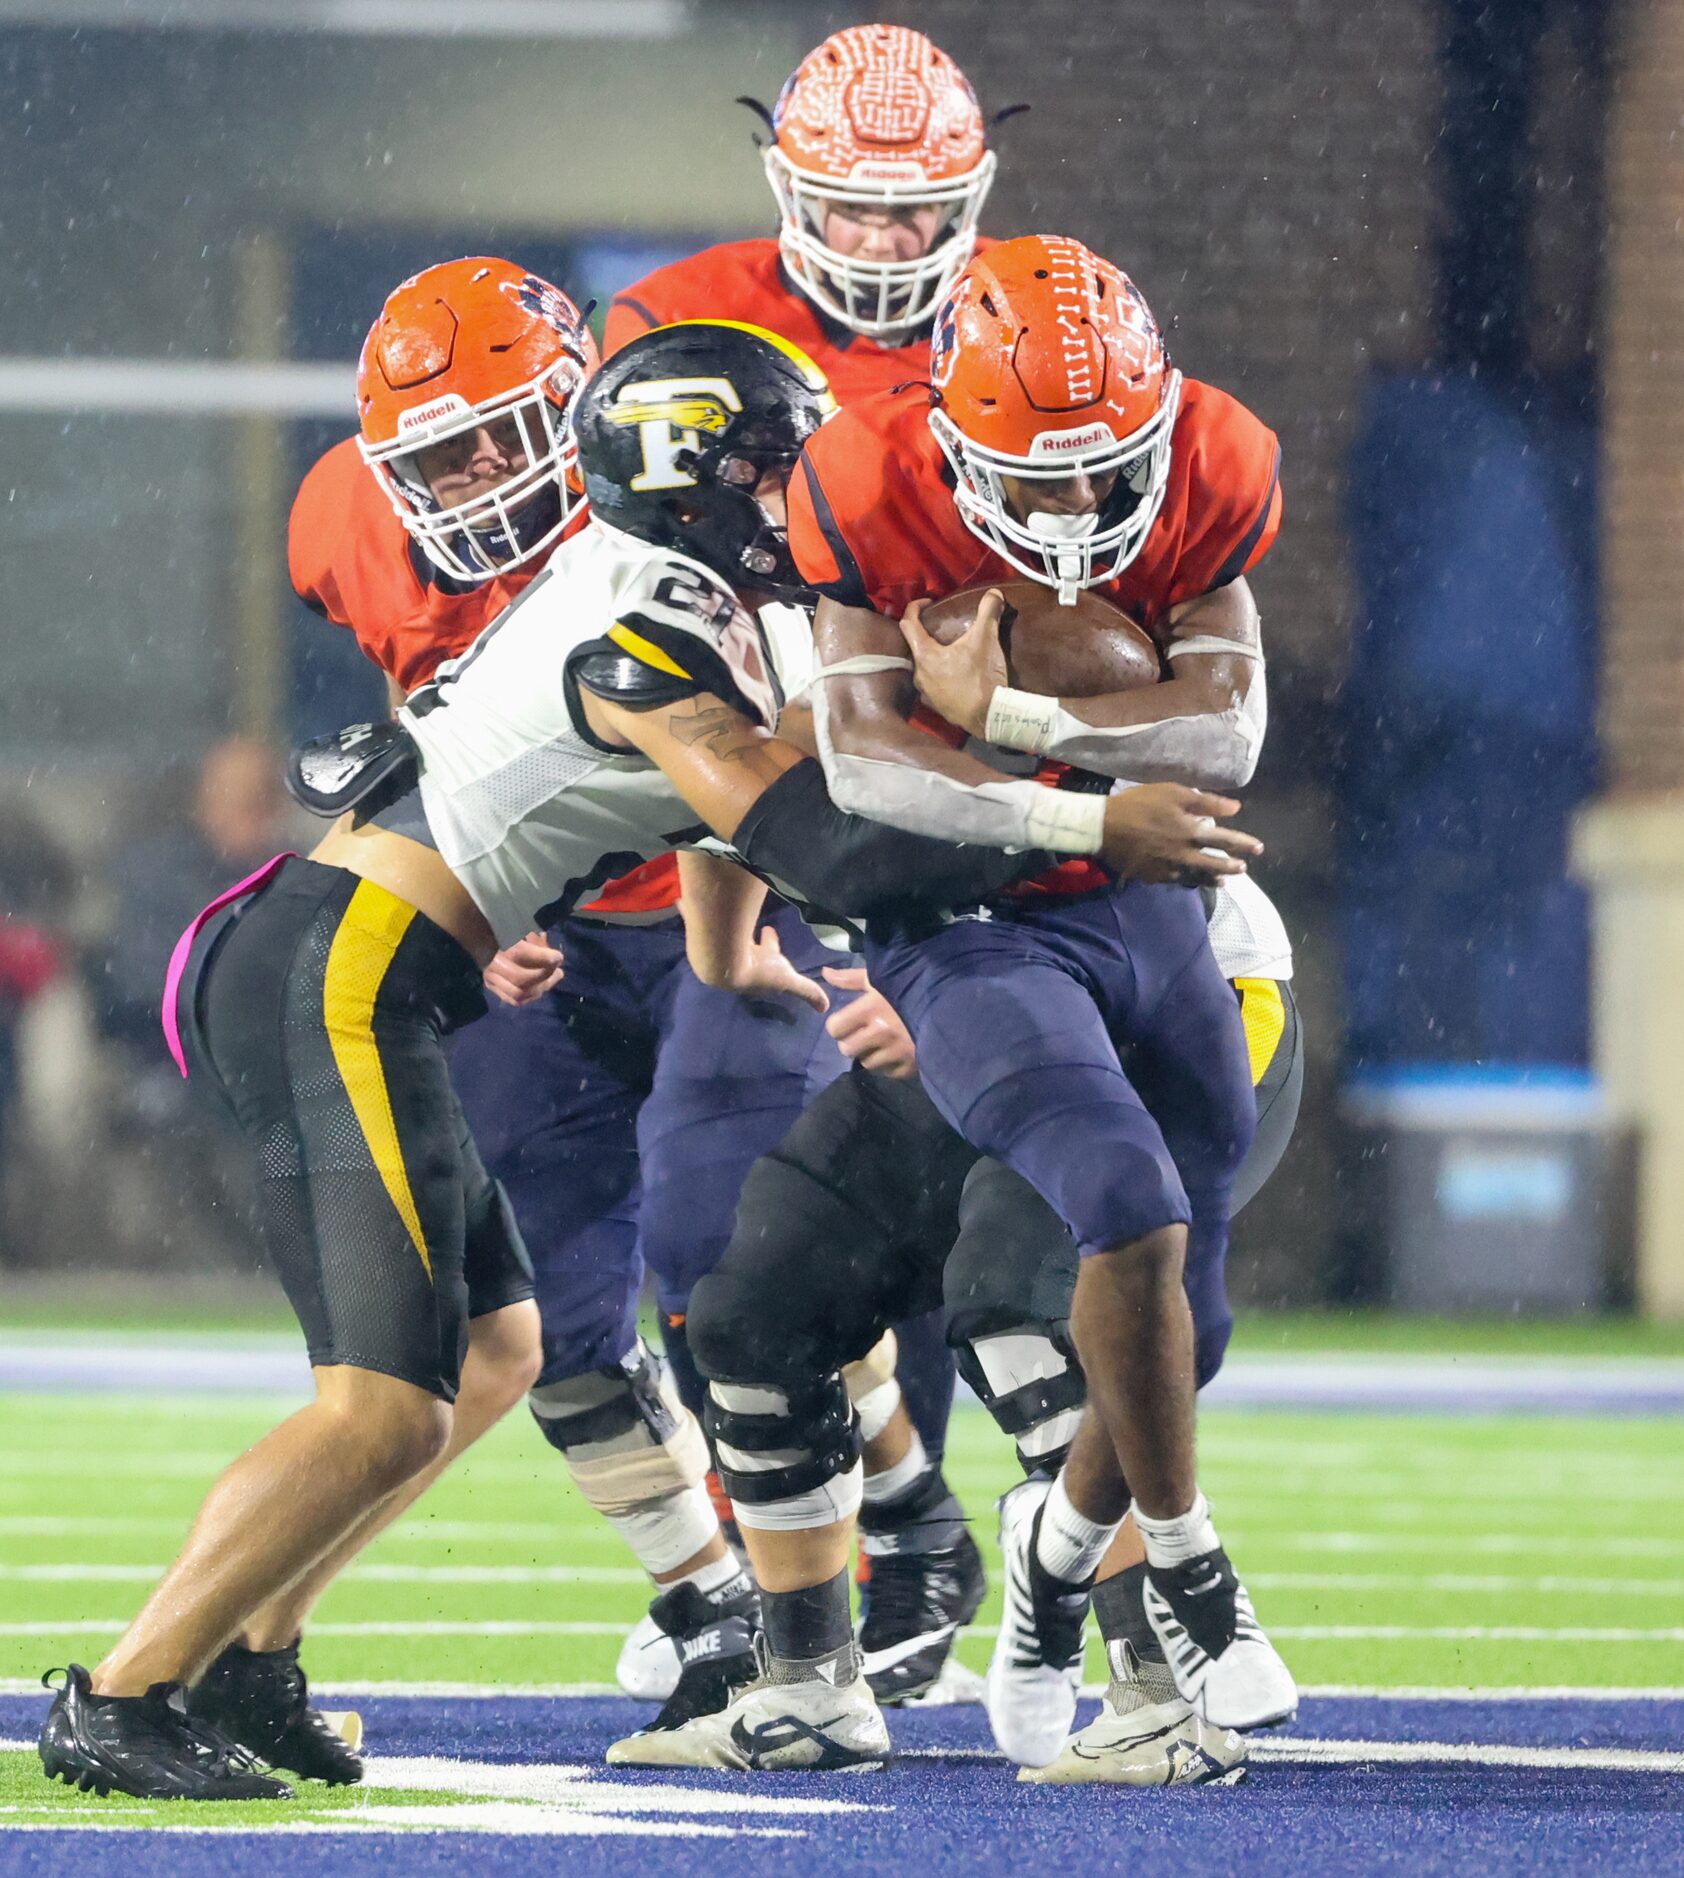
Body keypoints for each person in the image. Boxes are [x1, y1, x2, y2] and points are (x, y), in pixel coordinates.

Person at [38, 319, 1254, 1801]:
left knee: (497, 1353)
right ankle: (127, 1688)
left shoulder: (688, 599)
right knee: (381, 1403)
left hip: (379, 969)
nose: (804, 487)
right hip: (334, 977)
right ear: (703, 485)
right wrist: (1080, 823)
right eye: (773, 464)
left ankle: (252, 1656)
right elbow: (801, 826)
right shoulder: (651, 622)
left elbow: (745, 815)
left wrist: (817, 881)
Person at [615, 236, 1295, 1774]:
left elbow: (1218, 739)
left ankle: (1128, 1653)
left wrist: (1026, 742)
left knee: (1062, 1294)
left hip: (1164, 943)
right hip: (957, 971)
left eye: (743, 499)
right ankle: (820, 1679)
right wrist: (751, 942)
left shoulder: (1147, 482)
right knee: (755, 1306)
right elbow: (789, 793)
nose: (732, 536)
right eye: (692, 519)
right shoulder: (739, 590)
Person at [603, 19, 1003, 1693]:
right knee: (709, 1237)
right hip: (744, 809)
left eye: (922, 213)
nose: (892, 245)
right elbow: (641, 585)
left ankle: (943, 1602)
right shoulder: (676, 323)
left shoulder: (1027, 324)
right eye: (856, 210)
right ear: (788, 190)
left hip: (938, 814)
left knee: (946, 1246)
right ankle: (884, 1537)